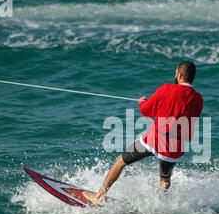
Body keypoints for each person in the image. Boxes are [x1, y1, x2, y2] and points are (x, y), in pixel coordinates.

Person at [84, 61, 204, 206]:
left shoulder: (167, 88)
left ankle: (99, 196)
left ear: (179, 74)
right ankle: (159, 207)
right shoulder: (198, 99)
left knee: (120, 161)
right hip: (175, 147)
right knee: (165, 180)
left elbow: (147, 111)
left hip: (154, 140)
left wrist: (142, 102)